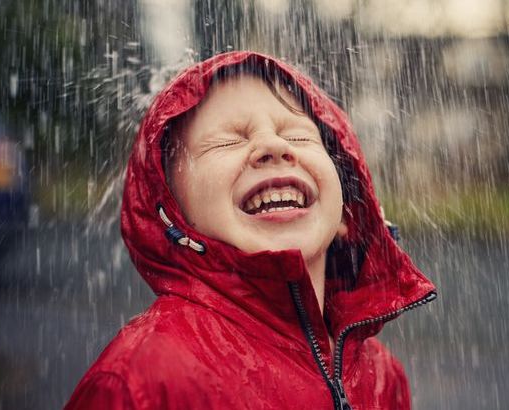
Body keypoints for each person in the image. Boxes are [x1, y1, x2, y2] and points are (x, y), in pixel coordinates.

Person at [65, 51, 436, 410]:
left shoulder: (382, 376)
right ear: (173, 214)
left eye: (299, 136)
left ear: (347, 214)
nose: (273, 145)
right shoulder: (141, 381)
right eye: (229, 140)